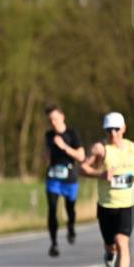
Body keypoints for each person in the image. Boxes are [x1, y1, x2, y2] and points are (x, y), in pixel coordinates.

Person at [81, 112, 134, 267]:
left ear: (124, 129)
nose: (113, 133)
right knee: (111, 245)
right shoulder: (100, 149)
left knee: (123, 242)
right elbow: (82, 168)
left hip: (127, 204)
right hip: (106, 204)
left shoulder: (133, 148)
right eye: (109, 129)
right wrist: (100, 174)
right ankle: (109, 252)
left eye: (116, 129)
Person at [43, 106, 86, 257]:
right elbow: (47, 155)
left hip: (69, 177)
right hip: (53, 176)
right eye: (50, 120)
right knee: (52, 209)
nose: (53, 122)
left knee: (70, 209)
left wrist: (64, 146)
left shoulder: (72, 133)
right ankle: (54, 244)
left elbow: (81, 156)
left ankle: (71, 227)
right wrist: (46, 157)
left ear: (62, 117)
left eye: (55, 118)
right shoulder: (48, 135)